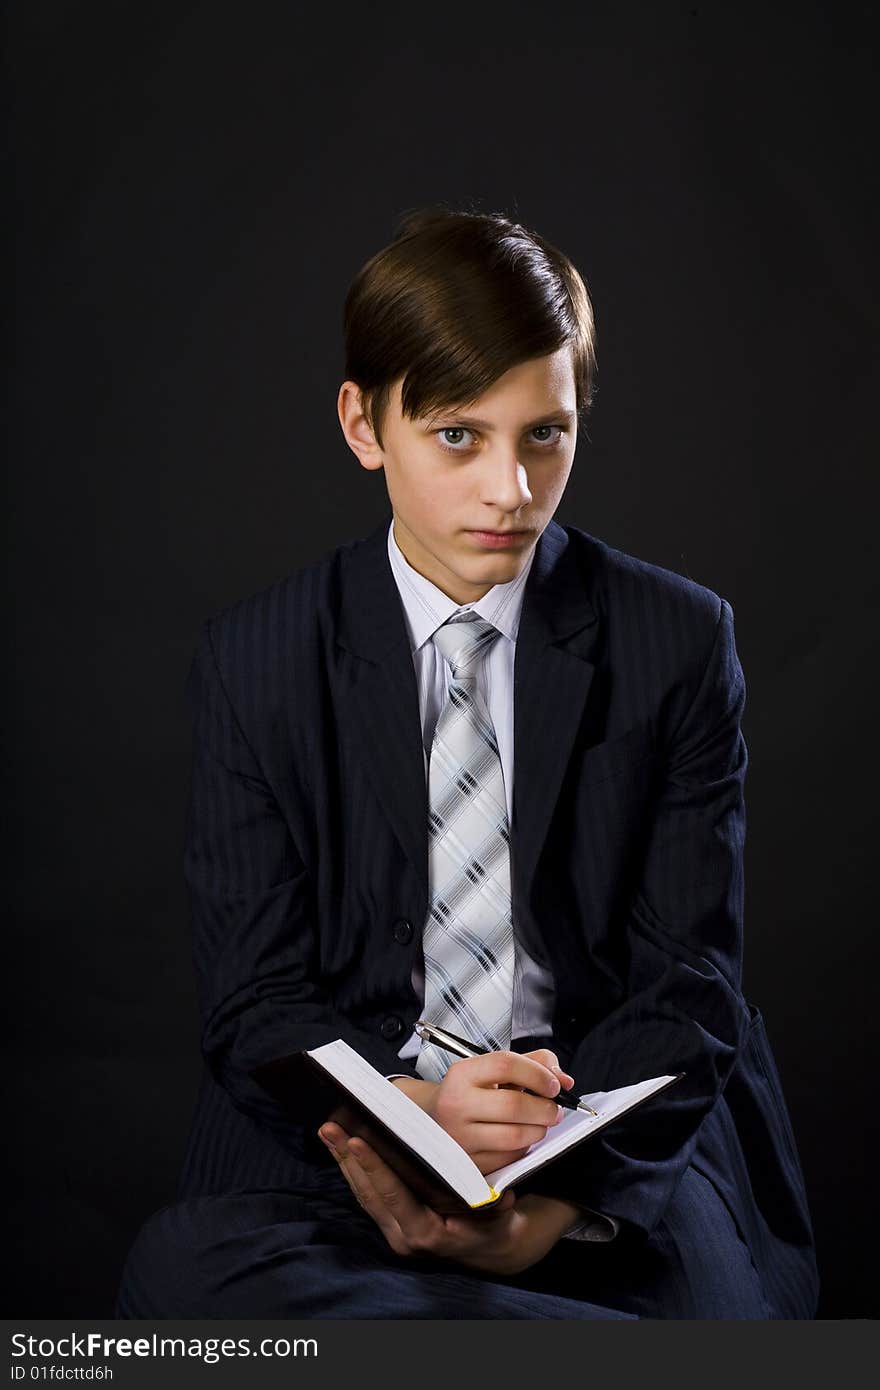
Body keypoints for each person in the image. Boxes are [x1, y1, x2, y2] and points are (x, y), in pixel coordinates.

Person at [116, 206, 819, 1319]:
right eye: (458, 436)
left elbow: (687, 981)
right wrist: (412, 1109)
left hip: (611, 1125)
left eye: (545, 433)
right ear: (363, 424)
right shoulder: (257, 658)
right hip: (350, 1127)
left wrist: (554, 1204)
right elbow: (255, 996)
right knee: (179, 1282)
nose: (510, 489)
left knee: (713, 1311)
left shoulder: (676, 641)